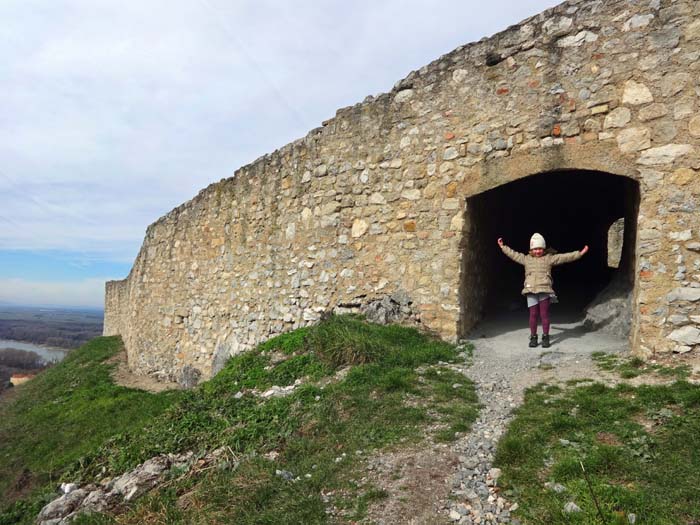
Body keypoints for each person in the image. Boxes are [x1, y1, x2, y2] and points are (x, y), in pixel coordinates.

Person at [497, 233, 588, 348]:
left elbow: (564, 257)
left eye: (540, 248)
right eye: (535, 249)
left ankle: (545, 336)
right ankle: (533, 337)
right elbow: (513, 254)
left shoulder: (549, 259)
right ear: (531, 249)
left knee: (544, 314)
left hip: (544, 290)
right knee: (533, 315)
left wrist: (579, 254)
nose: (537, 251)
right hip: (530, 290)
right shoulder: (526, 259)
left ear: (544, 248)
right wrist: (503, 247)